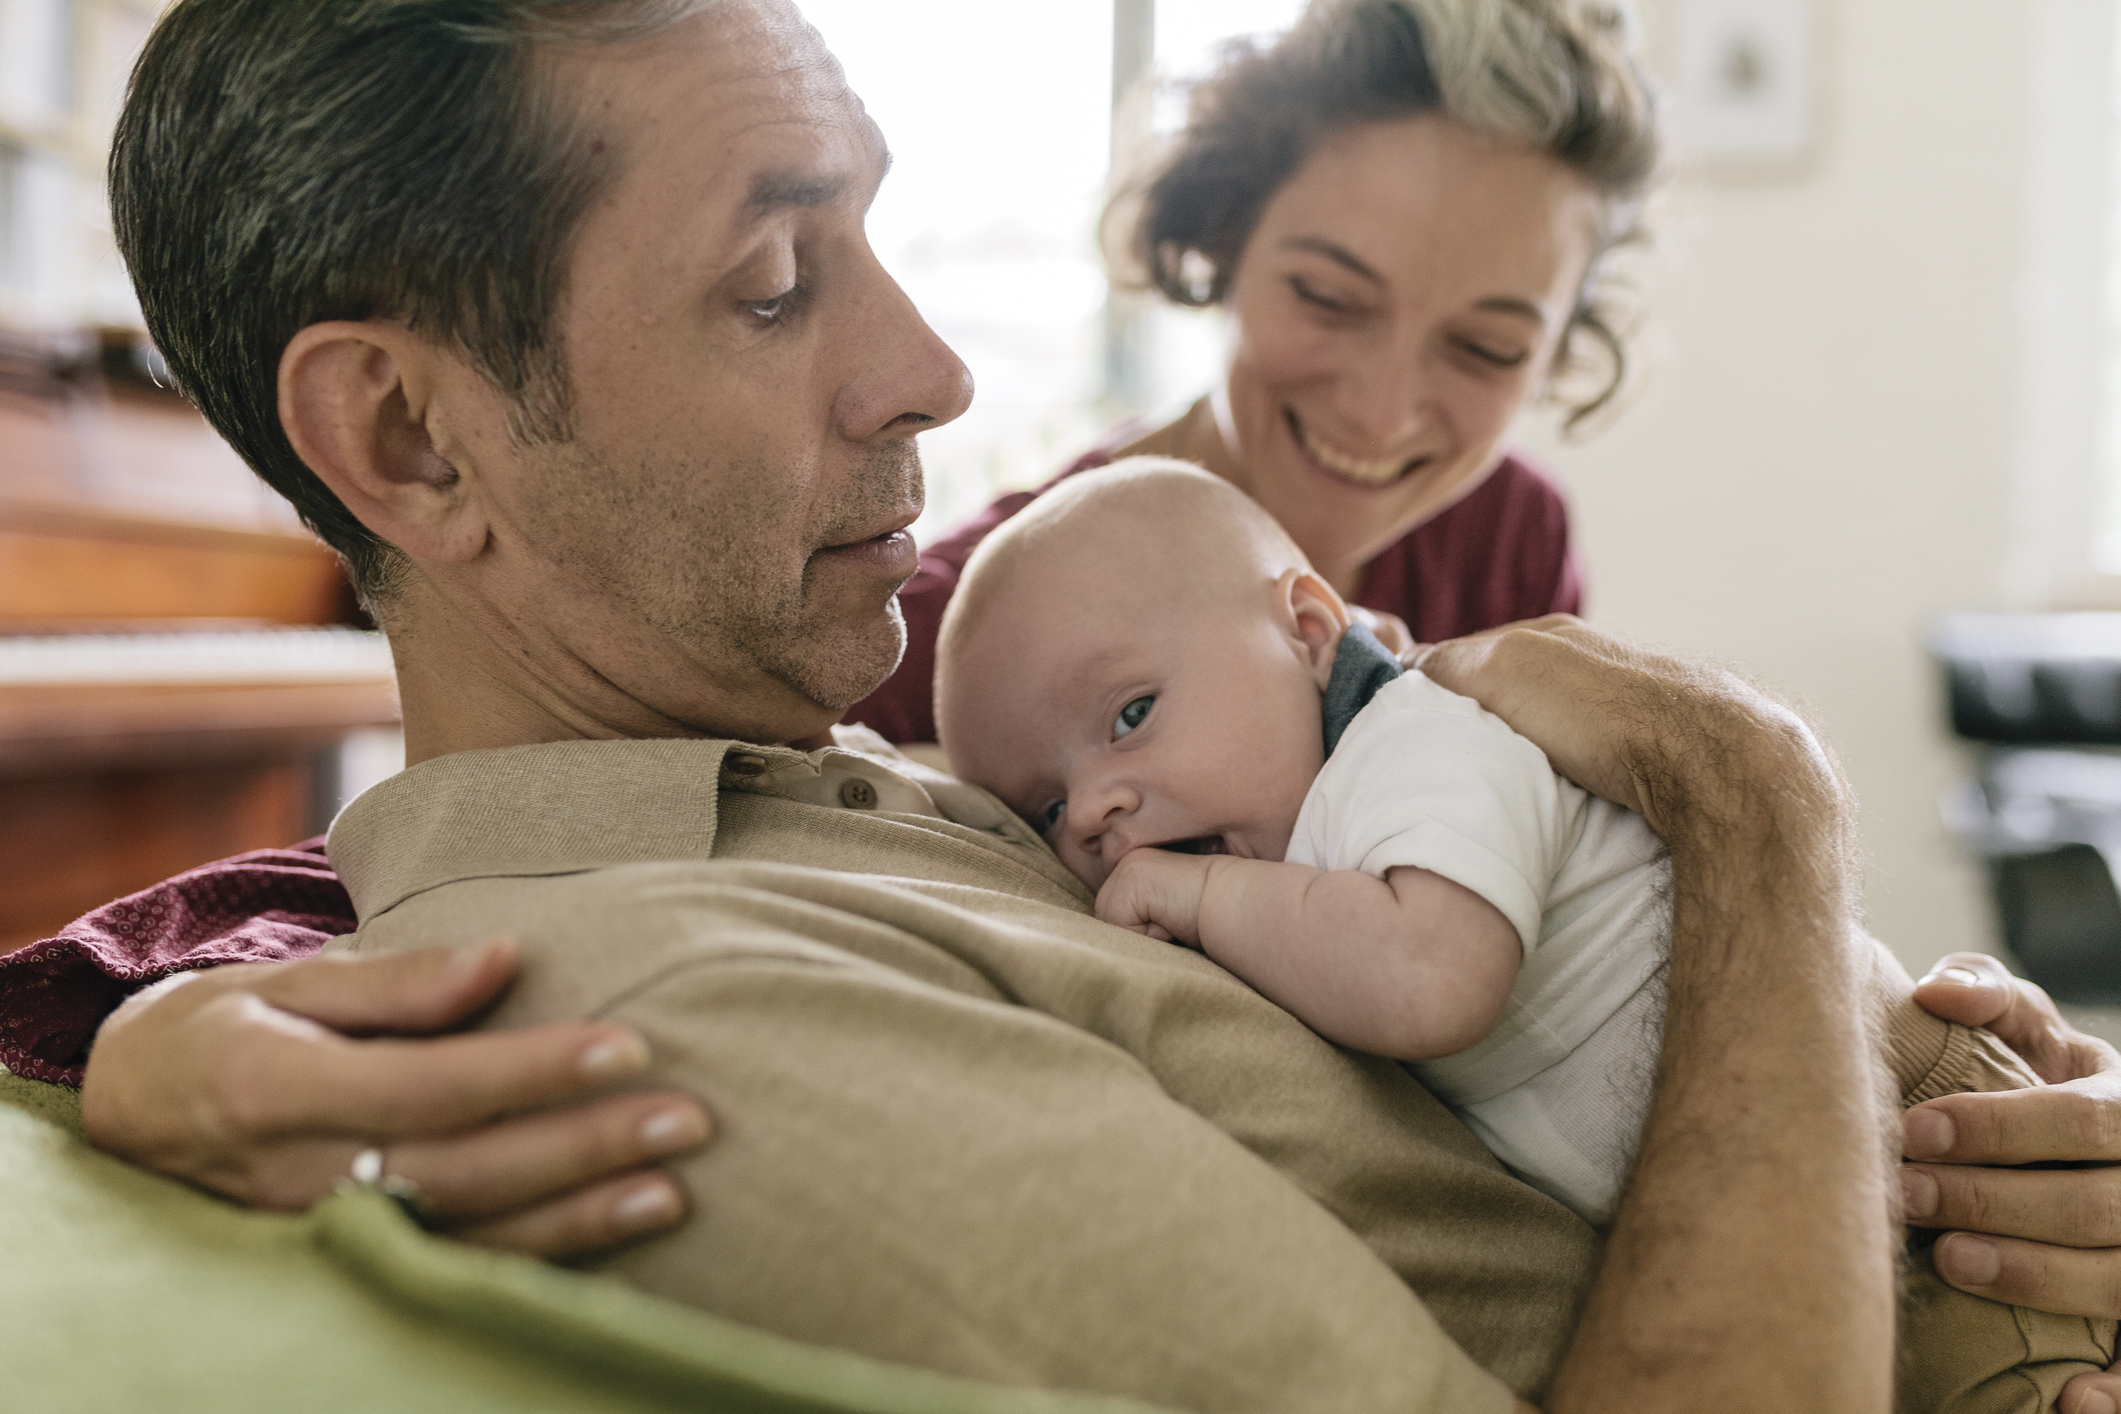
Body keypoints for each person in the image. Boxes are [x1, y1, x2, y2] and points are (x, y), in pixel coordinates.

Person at [9, 0, 2121, 1410]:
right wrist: (1757, 794)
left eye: (878, 240)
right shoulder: (855, 806)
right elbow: (474, 863)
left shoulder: (852, 753)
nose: (934, 363)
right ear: (408, 438)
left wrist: (1952, 1083)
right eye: (771, 281)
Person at [935, 457, 2114, 1409]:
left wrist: (1197, 901)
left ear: (1305, 629)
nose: (1094, 810)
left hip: (1913, 1130)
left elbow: (1432, 978)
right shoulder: (1301, 857)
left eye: (1131, 714)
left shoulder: (1423, 739)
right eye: (1047, 804)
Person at [844, 0, 1646, 742]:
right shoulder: (959, 626)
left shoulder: (1506, 542)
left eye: (1485, 348)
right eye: (1328, 298)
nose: (1380, 412)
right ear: (1221, 239)